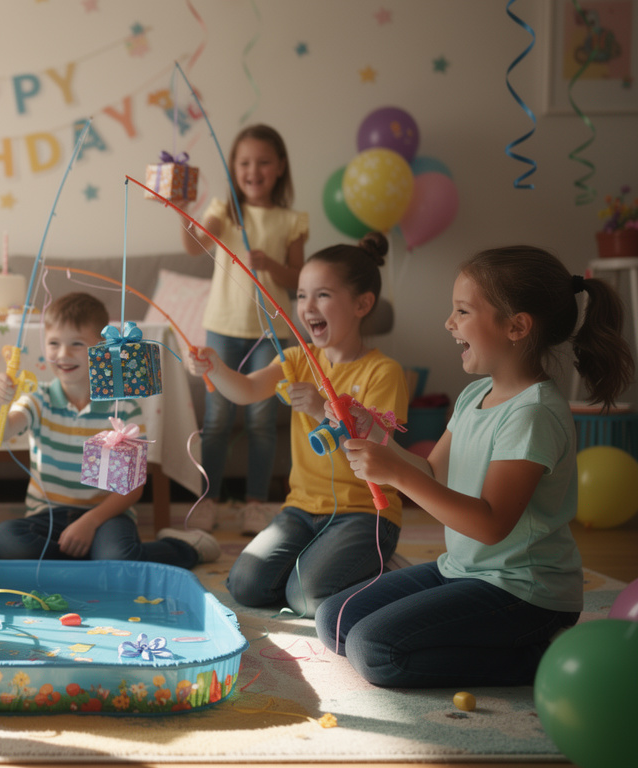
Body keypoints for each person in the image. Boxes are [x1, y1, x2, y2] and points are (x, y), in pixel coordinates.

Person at [316, 246, 633, 688]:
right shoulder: (474, 396)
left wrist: (397, 473)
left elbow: (490, 525)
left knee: (374, 649)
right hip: (464, 570)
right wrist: (375, 435)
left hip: (526, 594)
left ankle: (538, 656)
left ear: (517, 326)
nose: (449, 323)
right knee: (335, 618)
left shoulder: (533, 414)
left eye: (462, 311)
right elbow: (433, 475)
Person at [188, 233, 408, 618]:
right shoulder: (297, 358)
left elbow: (382, 448)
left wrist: (326, 410)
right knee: (246, 585)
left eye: (322, 295)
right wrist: (215, 367)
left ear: (362, 304)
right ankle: (324, 564)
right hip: (301, 510)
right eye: (302, 295)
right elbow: (245, 390)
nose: (307, 306)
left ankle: (378, 565)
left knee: (305, 597)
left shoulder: (383, 371)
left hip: (366, 513)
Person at [0, 292, 221, 568]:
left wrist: (90, 522)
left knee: (117, 558)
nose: (63, 354)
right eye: (53, 343)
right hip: (47, 516)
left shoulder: (123, 408)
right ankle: (89, 561)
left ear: (102, 349)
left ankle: (184, 548)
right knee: (4, 539)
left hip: (106, 517)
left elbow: (132, 489)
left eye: (76, 344)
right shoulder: (39, 399)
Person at [178, 124, 308, 534]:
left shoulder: (292, 219)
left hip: (272, 334)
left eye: (264, 162)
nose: (254, 171)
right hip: (222, 329)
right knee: (217, 420)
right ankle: (208, 499)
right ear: (234, 168)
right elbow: (194, 243)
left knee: (260, 421)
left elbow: (298, 278)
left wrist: (271, 265)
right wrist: (183, 211)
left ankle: (255, 503)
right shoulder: (223, 209)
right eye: (245, 163)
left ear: (281, 167)